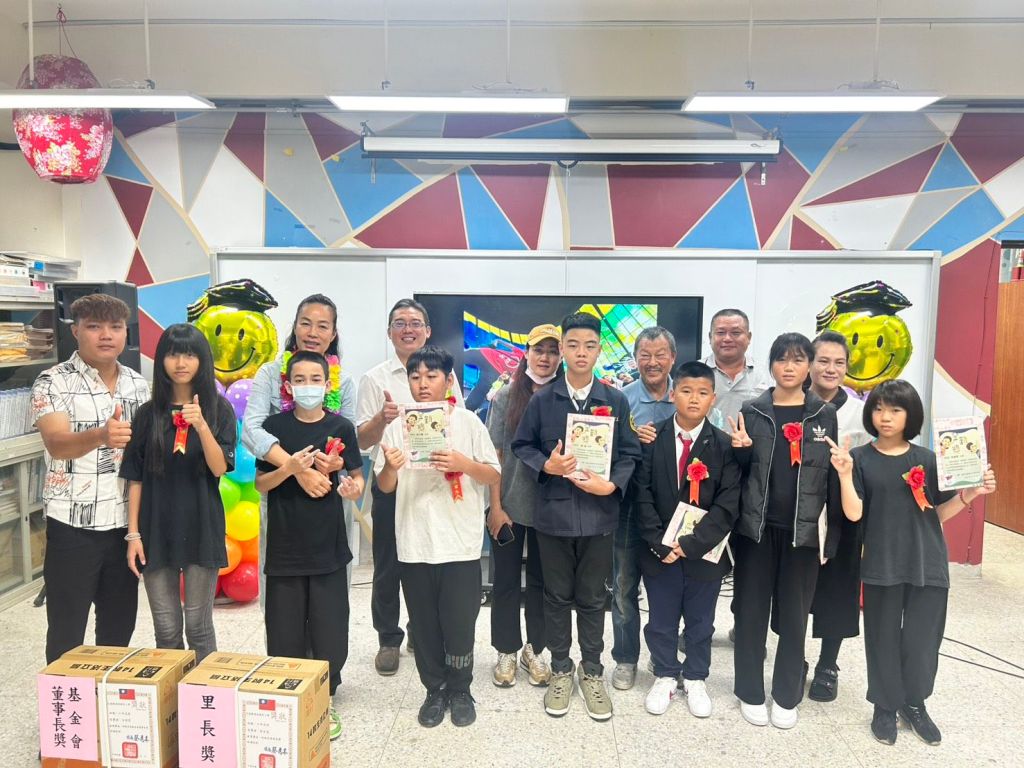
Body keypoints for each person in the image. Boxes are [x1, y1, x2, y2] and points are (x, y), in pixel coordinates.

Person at [827, 380, 996, 746]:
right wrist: (843, 474)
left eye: (895, 410)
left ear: (910, 415)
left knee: (922, 642)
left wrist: (970, 494)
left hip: (927, 563)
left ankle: (914, 704)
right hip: (882, 563)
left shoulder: (929, 459)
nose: (885, 417)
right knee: (882, 638)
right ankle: (885, 706)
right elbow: (854, 513)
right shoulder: (860, 459)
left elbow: (937, 514)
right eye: (878, 409)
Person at [511, 312, 642, 721]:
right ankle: (561, 670)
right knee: (555, 597)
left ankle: (592, 670)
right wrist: (546, 466)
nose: (581, 353)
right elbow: (522, 445)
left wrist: (612, 485)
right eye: (573, 345)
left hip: (598, 517)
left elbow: (630, 453)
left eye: (589, 345)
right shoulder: (542, 400)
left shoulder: (615, 400)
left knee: (592, 598)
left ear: (599, 350)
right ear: (562, 350)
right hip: (553, 516)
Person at [375, 346, 500, 728]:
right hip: (415, 543)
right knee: (425, 623)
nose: (423, 384)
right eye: (415, 377)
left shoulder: (468, 423)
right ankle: (434, 689)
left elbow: (493, 474)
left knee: (460, 623)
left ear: (448, 381)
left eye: (432, 376)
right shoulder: (397, 427)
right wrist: (391, 468)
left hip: (459, 543)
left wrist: (463, 463)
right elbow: (385, 485)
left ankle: (460, 689)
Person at [730, 332, 840, 730]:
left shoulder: (823, 414)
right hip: (756, 531)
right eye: (782, 359)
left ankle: (787, 695)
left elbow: (832, 477)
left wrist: (831, 539)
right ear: (772, 365)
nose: (789, 367)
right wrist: (741, 451)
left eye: (798, 360)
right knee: (750, 614)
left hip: (803, 534)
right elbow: (740, 475)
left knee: (795, 618)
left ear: (808, 366)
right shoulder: (752, 410)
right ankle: (749, 692)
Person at [32, 294, 151, 663]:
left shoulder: (138, 385)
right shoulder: (52, 381)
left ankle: (106, 695)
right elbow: (57, 444)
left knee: (118, 630)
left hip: (123, 527)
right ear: (75, 331)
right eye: (94, 326)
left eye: (115, 327)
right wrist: (101, 435)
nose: (106, 335)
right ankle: (67, 700)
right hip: (72, 526)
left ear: (126, 333)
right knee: (66, 631)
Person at [254, 351, 365, 742]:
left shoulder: (341, 427)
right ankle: (288, 697)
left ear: (327, 384)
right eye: (299, 380)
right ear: (287, 386)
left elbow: (356, 478)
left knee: (329, 626)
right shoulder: (274, 428)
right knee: (283, 629)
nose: (307, 386)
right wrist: (290, 468)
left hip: (328, 547)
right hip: (284, 548)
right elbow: (261, 484)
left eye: (315, 379)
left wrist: (352, 489)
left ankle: (325, 697)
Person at [355, 298, 465, 676]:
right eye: (400, 323)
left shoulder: (445, 374)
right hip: (392, 482)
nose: (408, 329)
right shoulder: (374, 379)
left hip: (434, 484)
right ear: (390, 332)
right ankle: (388, 638)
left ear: (428, 331)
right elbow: (362, 440)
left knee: (428, 560)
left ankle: (421, 628)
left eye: (415, 323)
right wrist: (381, 419)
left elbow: (459, 421)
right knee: (388, 564)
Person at [121, 324, 236, 663]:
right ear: (161, 360)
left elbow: (219, 468)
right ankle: (171, 695)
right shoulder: (147, 415)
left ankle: (204, 693)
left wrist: (201, 425)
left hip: (202, 527)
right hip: (155, 530)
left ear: (202, 360)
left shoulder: (219, 410)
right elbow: (135, 478)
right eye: (173, 354)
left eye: (189, 354)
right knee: (167, 628)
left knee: (198, 627)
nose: (181, 363)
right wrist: (133, 534)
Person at [633, 361, 741, 718]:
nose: (694, 399)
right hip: (660, 552)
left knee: (700, 621)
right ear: (672, 393)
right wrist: (658, 542)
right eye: (686, 391)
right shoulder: (652, 439)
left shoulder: (724, 446)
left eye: (703, 392)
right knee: (661, 619)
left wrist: (693, 543)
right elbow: (641, 494)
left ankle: (695, 677)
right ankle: (665, 673)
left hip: (704, 554)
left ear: (713, 398)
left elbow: (728, 504)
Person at [242, 294, 356, 607]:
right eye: (306, 323)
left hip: (328, 499)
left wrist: (335, 462)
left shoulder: (343, 381)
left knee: (331, 597)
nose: (312, 332)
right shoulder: (270, 373)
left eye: (322, 326)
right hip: (283, 500)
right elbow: (251, 430)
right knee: (281, 597)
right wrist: (297, 470)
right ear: (294, 326)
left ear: (333, 334)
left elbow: (350, 437)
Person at [486, 324, 562, 688]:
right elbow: (494, 455)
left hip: (551, 508)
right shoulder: (505, 397)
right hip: (510, 506)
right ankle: (506, 649)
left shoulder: (564, 397)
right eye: (539, 350)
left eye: (552, 351)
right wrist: (495, 506)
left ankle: (536, 649)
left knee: (542, 583)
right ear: (526, 353)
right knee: (504, 580)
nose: (545, 357)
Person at [803, 330, 871, 702]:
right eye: (824, 361)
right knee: (795, 589)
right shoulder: (794, 403)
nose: (831, 369)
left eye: (839, 363)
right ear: (809, 363)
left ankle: (828, 665)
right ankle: (794, 656)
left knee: (839, 590)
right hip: (801, 512)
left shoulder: (860, 413)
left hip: (845, 512)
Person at [611, 326, 677, 691]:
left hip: (671, 511)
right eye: (645, 355)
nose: (652, 362)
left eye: (660, 355)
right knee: (623, 587)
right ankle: (625, 657)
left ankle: (663, 654)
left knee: (668, 589)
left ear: (672, 358)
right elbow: (603, 453)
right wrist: (629, 439)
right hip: (627, 507)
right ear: (635, 359)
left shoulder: (685, 396)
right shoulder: (620, 399)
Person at [703, 309, 772, 430]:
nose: (727, 338)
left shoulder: (766, 375)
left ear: (749, 337)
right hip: (706, 441)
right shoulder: (694, 372)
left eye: (735, 333)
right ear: (710, 337)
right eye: (720, 333)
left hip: (752, 441)